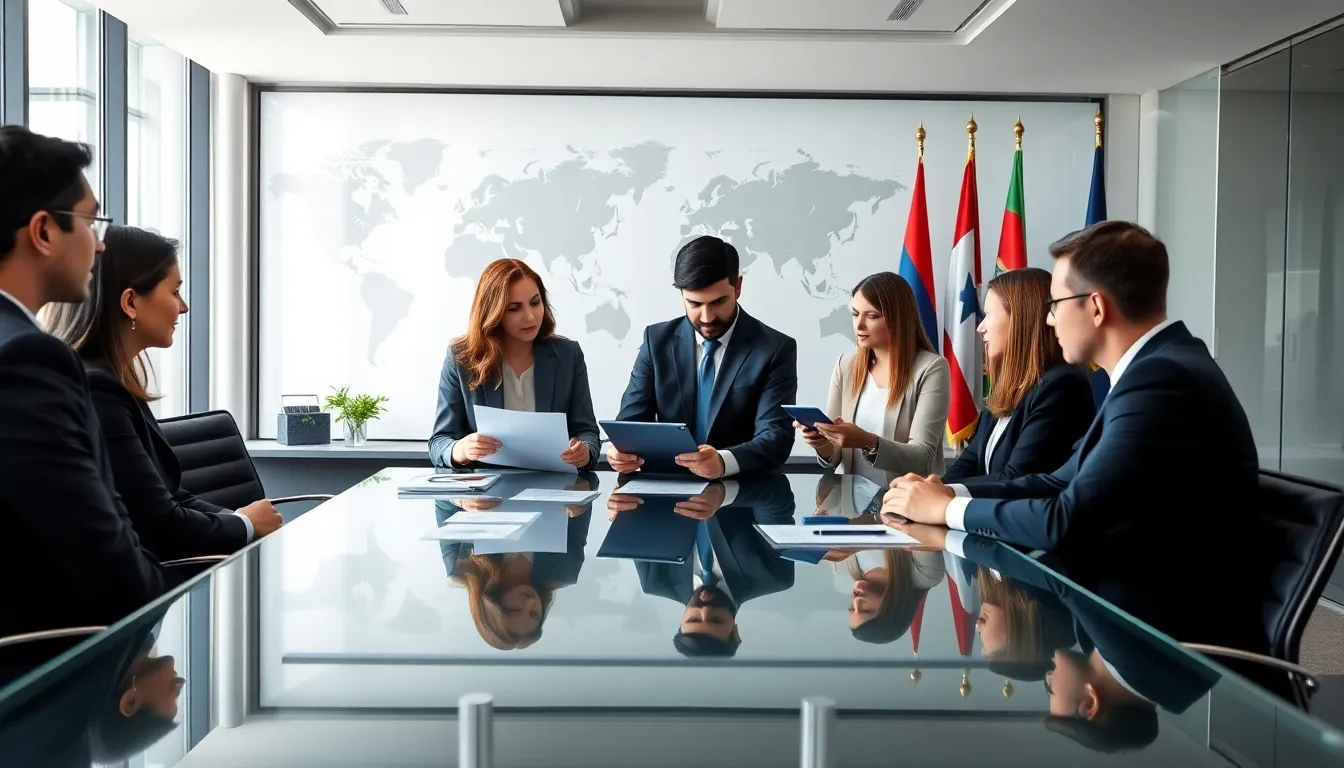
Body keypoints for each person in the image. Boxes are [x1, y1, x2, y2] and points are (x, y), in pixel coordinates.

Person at [882, 221, 1259, 553]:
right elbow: (1055, 481)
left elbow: (1064, 520)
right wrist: (945, 493)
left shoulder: (1161, 380)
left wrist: (945, 509)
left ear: (1095, 307)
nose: (1047, 320)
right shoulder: (1156, 368)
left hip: (1160, 622)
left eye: (1055, 304)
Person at [0, 126, 166, 641]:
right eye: (92, 222)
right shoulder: (29, 360)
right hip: (47, 679)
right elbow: (106, 558)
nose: (99, 246)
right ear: (44, 232)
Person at [45, 225, 283, 560]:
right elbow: (158, 525)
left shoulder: (111, 380)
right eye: (174, 292)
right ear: (130, 302)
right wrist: (245, 524)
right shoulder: (98, 391)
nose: (183, 307)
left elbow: (164, 496)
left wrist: (237, 520)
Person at [608, 236, 797, 478]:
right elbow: (630, 424)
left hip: (741, 497)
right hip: (665, 494)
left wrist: (722, 461)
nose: (707, 317)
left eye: (718, 302)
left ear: (738, 287)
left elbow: (776, 437)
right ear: (681, 296)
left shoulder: (774, 348)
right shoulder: (656, 341)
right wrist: (619, 451)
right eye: (694, 304)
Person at [430, 258, 601, 471]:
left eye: (535, 302)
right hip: (486, 494)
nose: (530, 316)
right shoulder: (461, 358)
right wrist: (460, 450)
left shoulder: (568, 355)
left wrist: (584, 451)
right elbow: (439, 442)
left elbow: (588, 433)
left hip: (556, 490)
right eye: (514, 308)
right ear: (493, 312)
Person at [610, 473, 796, 657]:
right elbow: (777, 496)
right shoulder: (774, 576)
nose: (704, 609)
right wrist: (725, 494)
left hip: (666, 466)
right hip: (737, 454)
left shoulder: (656, 580)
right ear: (736, 632)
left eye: (693, 618)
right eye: (716, 620)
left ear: (681, 622)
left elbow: (638, 509)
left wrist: (622, 505)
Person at [941, 267, 1096, 484]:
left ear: (1020, 319)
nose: (980, 328)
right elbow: (972, 459)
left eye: (988, 315)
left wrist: (943, 495)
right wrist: (931, 489)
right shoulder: (1009, 385)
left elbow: (1016, 478)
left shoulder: (1061, 386)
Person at [797, 272, 950, 485]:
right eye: (855, 313)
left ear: (898, 318)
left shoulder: (931, 368)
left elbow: (922, 456)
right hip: (852, 504)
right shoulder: (845, 366)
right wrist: (821, 443)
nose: (858, 325)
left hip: (907, 503)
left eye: (872, 316)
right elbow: (834, 459)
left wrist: (868, 442)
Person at [435, 473, 597, 650]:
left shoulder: (460, 567)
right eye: (534, 613)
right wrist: (582, 493)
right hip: (550, 467)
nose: (529, 602)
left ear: (491, 605)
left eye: (514, 609)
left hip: (487, 464)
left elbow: (441, 500)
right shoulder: (564, 570)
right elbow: (589, 482)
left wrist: (460, 500)